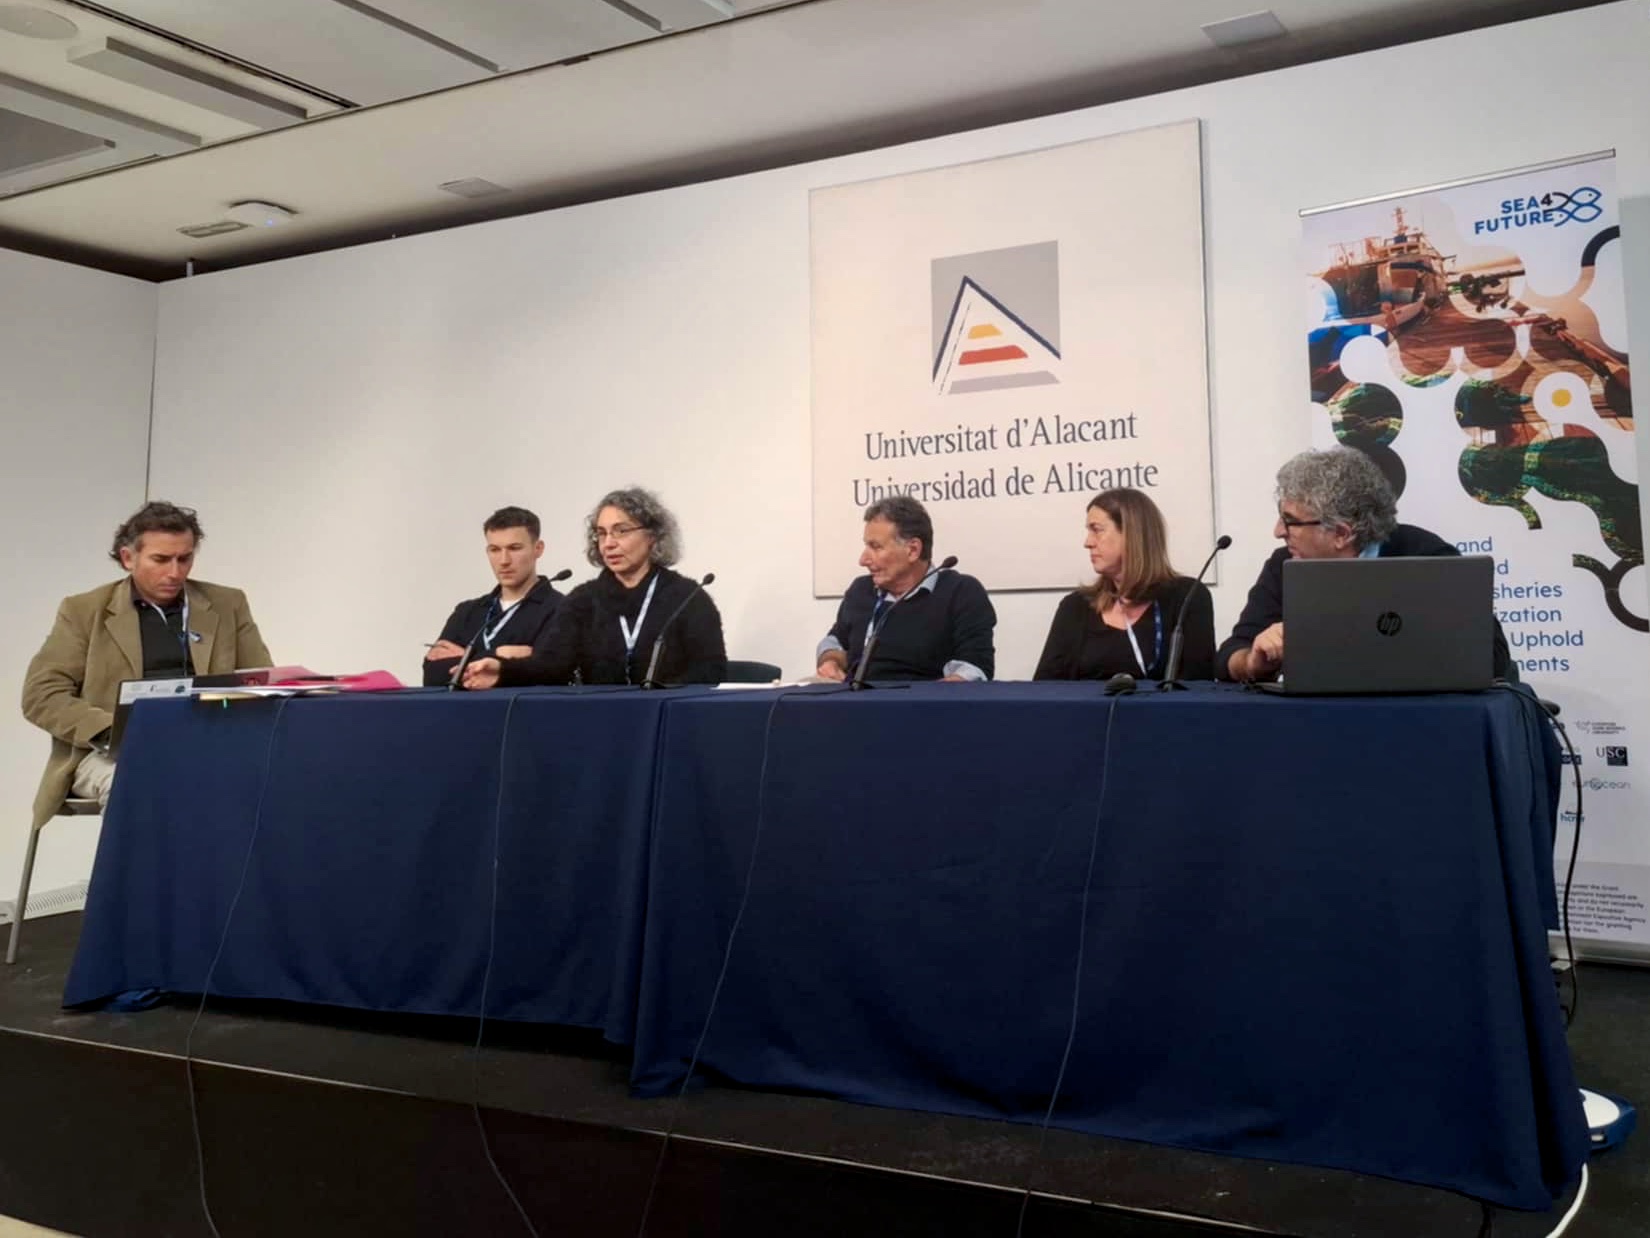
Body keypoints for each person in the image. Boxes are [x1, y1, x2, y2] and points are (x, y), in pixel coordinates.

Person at [20, 501, 271, 821]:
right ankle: (145, 859)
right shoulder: (83, 611)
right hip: (110, 753)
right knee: (138, 782)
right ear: (128, 558)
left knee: (278, 777)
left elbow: (262, 682)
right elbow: (41, 695)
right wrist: (111, 732)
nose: (175, 572)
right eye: (161, 559)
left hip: (207, 743)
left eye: (184, 559)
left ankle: (220, 857)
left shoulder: (227, 603)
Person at [1219, 446, 1511, 682]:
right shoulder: (1283, 564)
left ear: (1341, 534)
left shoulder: (1427, 555)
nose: (1278, 532)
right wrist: (1252, 662)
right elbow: (1229, 655)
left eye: (1290, 521)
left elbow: (1493, 657)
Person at [463, 487, 725, 688]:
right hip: (600, 721)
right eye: (601, 533)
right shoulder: (584, 600)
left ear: (653, 536)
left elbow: (710, 672)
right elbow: (550, 666)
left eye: (621, 531)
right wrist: (503, 671)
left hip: (668, 721)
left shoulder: (687, 598)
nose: (608, 543)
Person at [1034, 488, 1214, 682]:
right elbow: (1044, 689)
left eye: (1097, 530)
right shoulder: (1075, 606)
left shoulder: (1187, 597)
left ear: (1132, 534)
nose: (1087, 542)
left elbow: (1200, 686)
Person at [815, 496, 995, 683]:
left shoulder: (961, 593)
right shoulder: (861, 589)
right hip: (853, 696)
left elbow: (973, 668)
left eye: (875, 547)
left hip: (922, 698)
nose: (863, 560)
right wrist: (830, 662)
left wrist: (929, 696)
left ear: (913, 550)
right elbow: (835, 641)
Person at [422, 506, 564, 686]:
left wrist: (465, 657)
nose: (504, 561)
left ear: (538, 549)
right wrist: (499, 653)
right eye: (495, 549)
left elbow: (548, 673)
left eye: (514, 548)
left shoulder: (561, 609)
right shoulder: (467, 612)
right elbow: (432, 675)